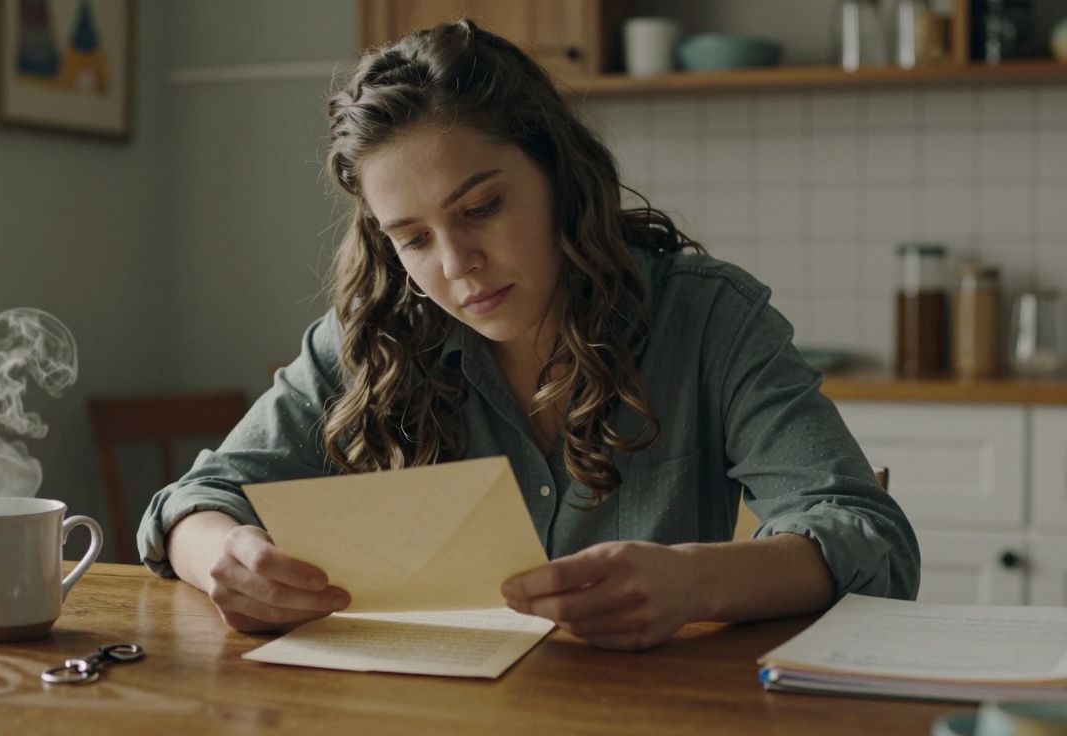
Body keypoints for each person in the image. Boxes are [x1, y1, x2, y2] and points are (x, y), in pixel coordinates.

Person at [137, 19, 919, 651]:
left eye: (481, 209)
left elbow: (867, 535)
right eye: (412, 238)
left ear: (559, 176)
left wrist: (696, 582)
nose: (457, 265)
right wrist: (222, 558)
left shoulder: (706, 318)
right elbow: (196, 500)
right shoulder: (369, 338)